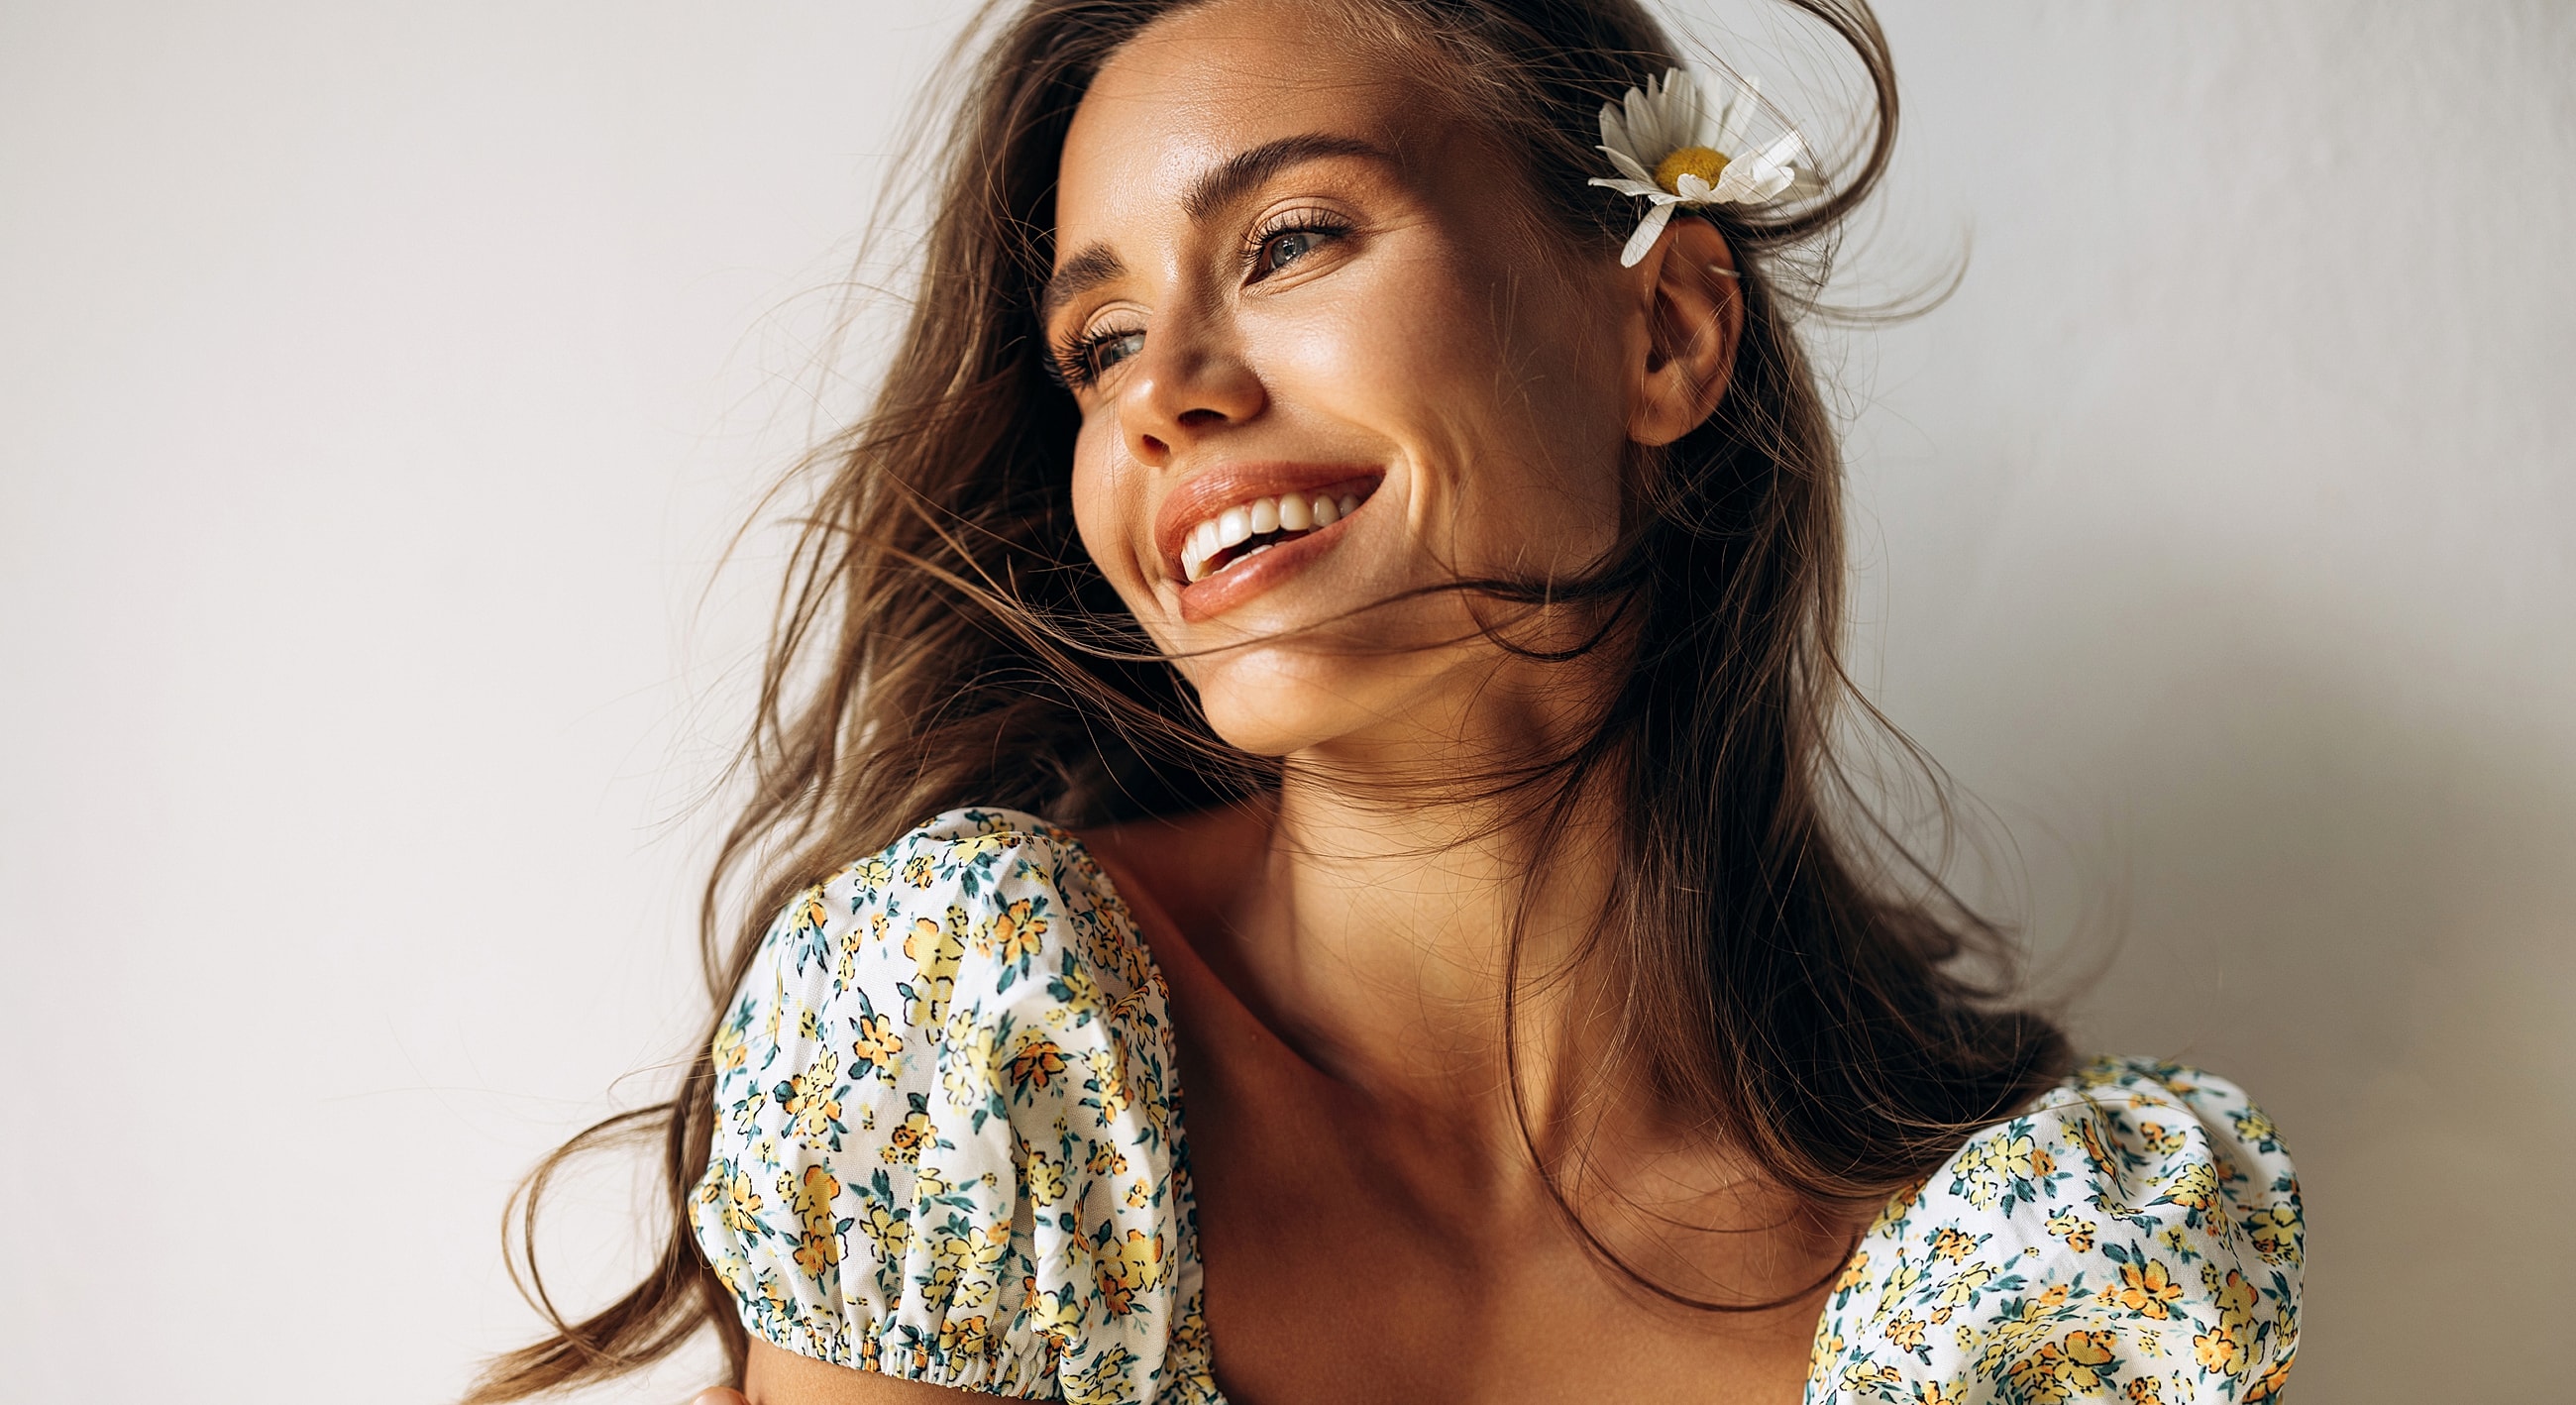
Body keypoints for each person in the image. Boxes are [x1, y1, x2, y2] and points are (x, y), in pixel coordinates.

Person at [469, 1, 2303, 1401]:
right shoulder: (968, 1051)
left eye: (1286, 243)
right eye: (1099, 345)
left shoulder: (2052, 1270)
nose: (1162, 393)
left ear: (1661, 328)